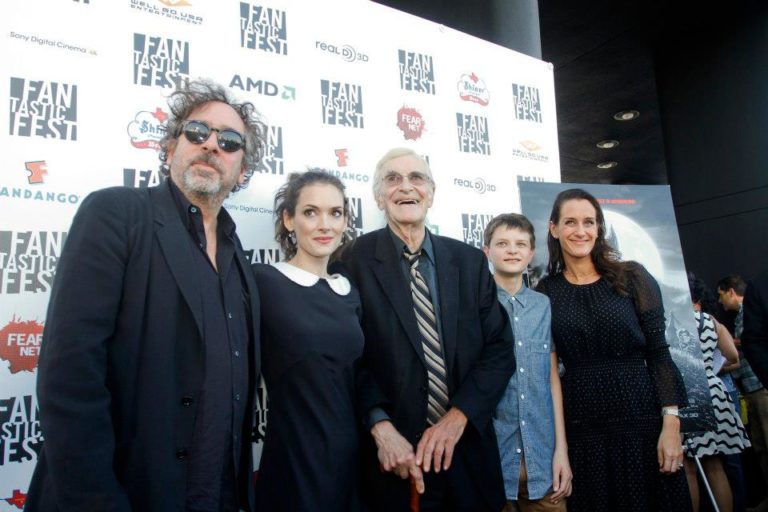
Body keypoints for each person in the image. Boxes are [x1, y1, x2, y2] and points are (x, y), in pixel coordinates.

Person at [25, 80, 265, 512]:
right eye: (197, 132)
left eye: (230, 141)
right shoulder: (116, 214)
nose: (212, 144)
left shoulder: (239, 259)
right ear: (170, 148)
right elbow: (70, 377)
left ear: (242, 170)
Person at [339, 148, 516, 511]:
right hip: (393, 463)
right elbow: (347, 358)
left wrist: (458, 416)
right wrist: (380, 427)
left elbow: (499, 349)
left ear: (431, 194)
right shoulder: (351, 260)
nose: (406, 187)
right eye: (393, 179)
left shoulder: (469, 262)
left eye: (416, 178)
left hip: (466, 457)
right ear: (378, 196)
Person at [535, 188, 691, 512]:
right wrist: (559, 447)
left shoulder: (632, 277)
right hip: (582, 425)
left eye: (589, 222)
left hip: (641, 416)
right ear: (554, 228)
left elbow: (659, 353)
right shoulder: (546, 291)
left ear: (599, 228)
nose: (581, 231)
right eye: (570, 222)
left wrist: (671, 424)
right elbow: (547, 373)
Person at [252, 170, 363, 511]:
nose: (325, 225)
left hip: (353, 460)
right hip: (294, 458)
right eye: (311, 212)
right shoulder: (264, 282)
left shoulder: (349, 290)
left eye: (335, 213)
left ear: (345, 221)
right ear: (289, 220)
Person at [482, 213, 573, 511]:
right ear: (487, 251)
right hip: (494, 461)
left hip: (543, 461)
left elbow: (552, 380)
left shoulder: (542, 305)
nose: (512, 250)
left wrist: (561, 451)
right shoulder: (476, 306)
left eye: (520, 244)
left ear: (531, 253)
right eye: (502, 243)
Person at [683, 273, 749, 512]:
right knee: (716, 466)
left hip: (686, 392)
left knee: (689, 467)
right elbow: (732, 356)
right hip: (713, 391)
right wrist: (710, 367)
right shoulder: (709, 321)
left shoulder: (669, 322)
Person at [720, 274, 768, 512]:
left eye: (721, 296)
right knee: (761, 446)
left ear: (731, 291)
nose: (720, 302)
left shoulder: (753, 303)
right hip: (751, 386)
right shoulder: (744, 313)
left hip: (761, 388)